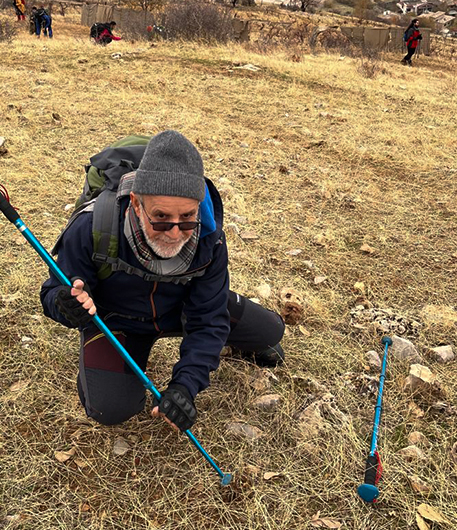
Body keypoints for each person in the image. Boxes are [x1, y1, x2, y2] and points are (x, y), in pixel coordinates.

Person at [41, 131, 286, 430]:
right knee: (110, 408)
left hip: (181, 313)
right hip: (119, 322)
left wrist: (186, 385)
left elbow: (207, 319)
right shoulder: (92, 226)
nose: (174, 232)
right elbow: (53, 291)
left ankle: (241, 342)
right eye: (161, 217)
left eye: (186, 217)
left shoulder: (209, 237)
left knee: (271, 331)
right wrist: (65, 304)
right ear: (135, 202)